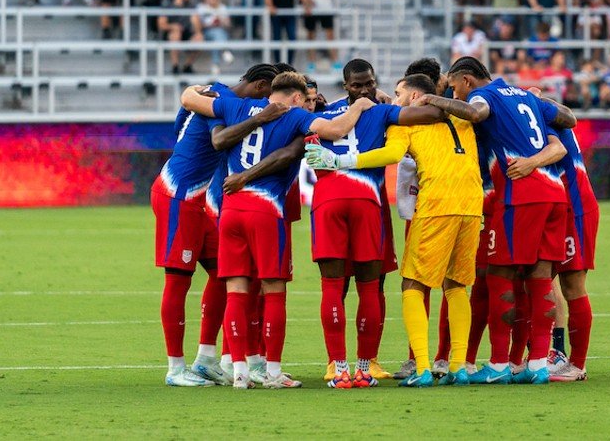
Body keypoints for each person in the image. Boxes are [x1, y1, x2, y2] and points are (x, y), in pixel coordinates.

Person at [180, 71, 376, 390]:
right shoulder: (296, 115)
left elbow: (188, 99)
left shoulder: (236, 107)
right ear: (297, 97)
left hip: (230, 209)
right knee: (273, 292)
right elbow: (337, 128)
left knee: (236, 291)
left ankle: (240, 373)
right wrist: (359, 107)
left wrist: (198, 88)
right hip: (266, 210)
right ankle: (272, 373)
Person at [307, 71, 483, 388]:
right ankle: (458, 366)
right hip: (472, 206)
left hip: (436, 206)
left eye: (399, 92)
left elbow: (390, 154)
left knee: (413, 284)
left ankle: (424, 368)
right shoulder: (462, 118)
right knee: (456, 286)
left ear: (415, 96)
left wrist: (341, 162)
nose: (394, 97)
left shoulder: (405, 122)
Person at [412, 56, 576, 385]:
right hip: (554, 193)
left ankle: (499, 363)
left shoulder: (484, 96)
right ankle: (538, 364)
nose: (455, 94)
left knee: (498, 276)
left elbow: (475, 114)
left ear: (468, 80)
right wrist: (539, 98)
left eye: (455, 87)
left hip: (519, 196)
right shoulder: (525, 95)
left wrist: (433, 98)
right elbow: (569, 118)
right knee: (540, 279)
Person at [151, 64, 284, 387]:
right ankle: (175, 368)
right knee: (178, 279)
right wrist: (258, 119)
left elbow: (181, 121)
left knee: (222, 271)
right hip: (177, 194)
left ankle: (206, 359)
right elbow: (218, 141)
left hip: (197, 200)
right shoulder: (221, 102)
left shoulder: (211, 93)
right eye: (267, 97)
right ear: (260, 86)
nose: (266, 105)